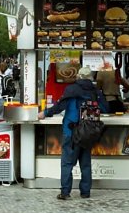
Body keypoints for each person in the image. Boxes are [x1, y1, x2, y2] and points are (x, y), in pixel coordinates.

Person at [42, 65, 109, 201]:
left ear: (78, 76)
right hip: (89, 131)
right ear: (90, 78)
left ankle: (65, 192)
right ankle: (85, 192)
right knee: (85, 163)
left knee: (67, 163)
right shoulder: (95, 91)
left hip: (71, 130)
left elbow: (60, 106)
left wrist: (45, 113)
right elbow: (105, 108)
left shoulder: (71, 89)